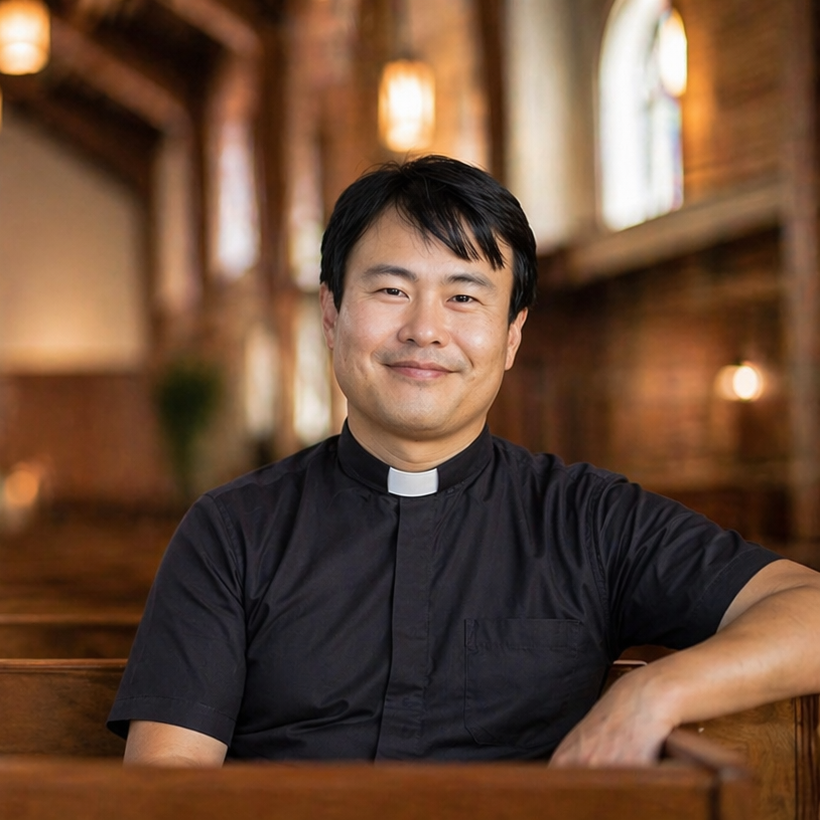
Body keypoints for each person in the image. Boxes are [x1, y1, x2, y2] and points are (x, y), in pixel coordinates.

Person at [108, 155, 820, 768]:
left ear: (511, 337)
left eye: (464, 296)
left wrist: (655, 690)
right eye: (391, 290)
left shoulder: (592, 519)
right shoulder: (233, 530)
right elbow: (170, 780)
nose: (424, 329)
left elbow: (807, 611)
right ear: (332, 316)